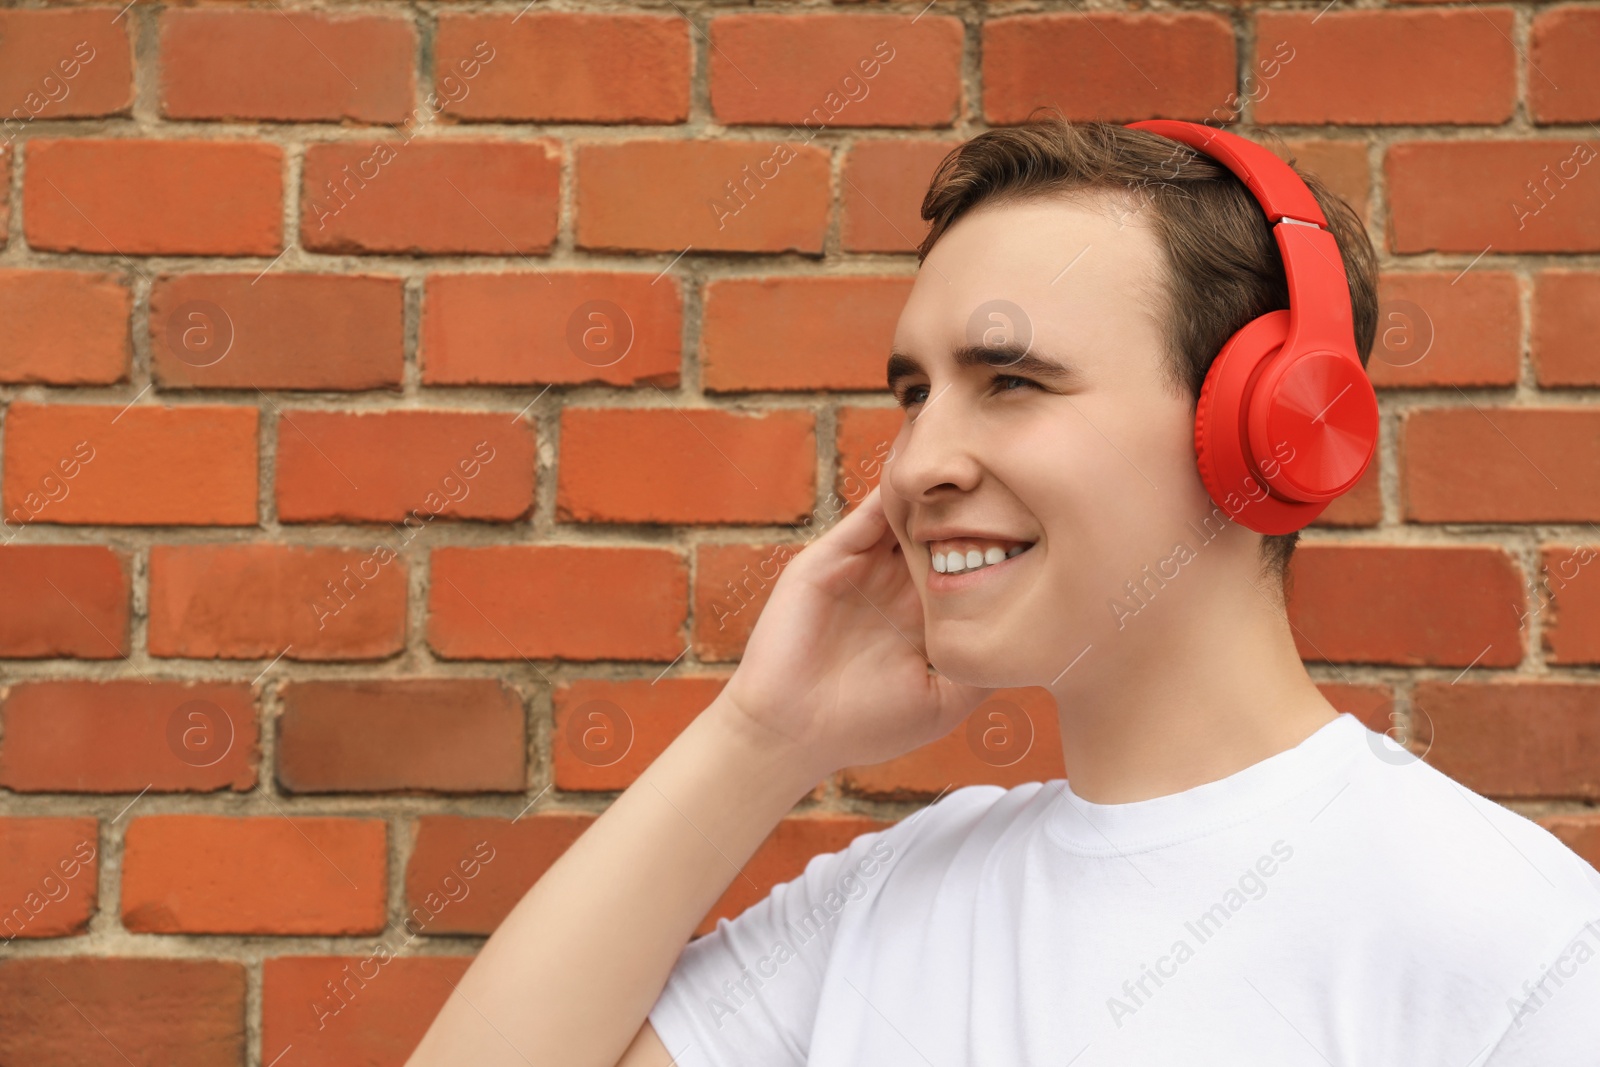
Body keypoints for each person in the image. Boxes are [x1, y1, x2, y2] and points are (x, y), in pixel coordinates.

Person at [405, 116, 1600, 1067]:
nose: (919, 459)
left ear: (1269, 432)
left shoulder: (1509, 935)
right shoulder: (884, 902)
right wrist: (758, 738)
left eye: (1012, 379)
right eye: (913, 390)